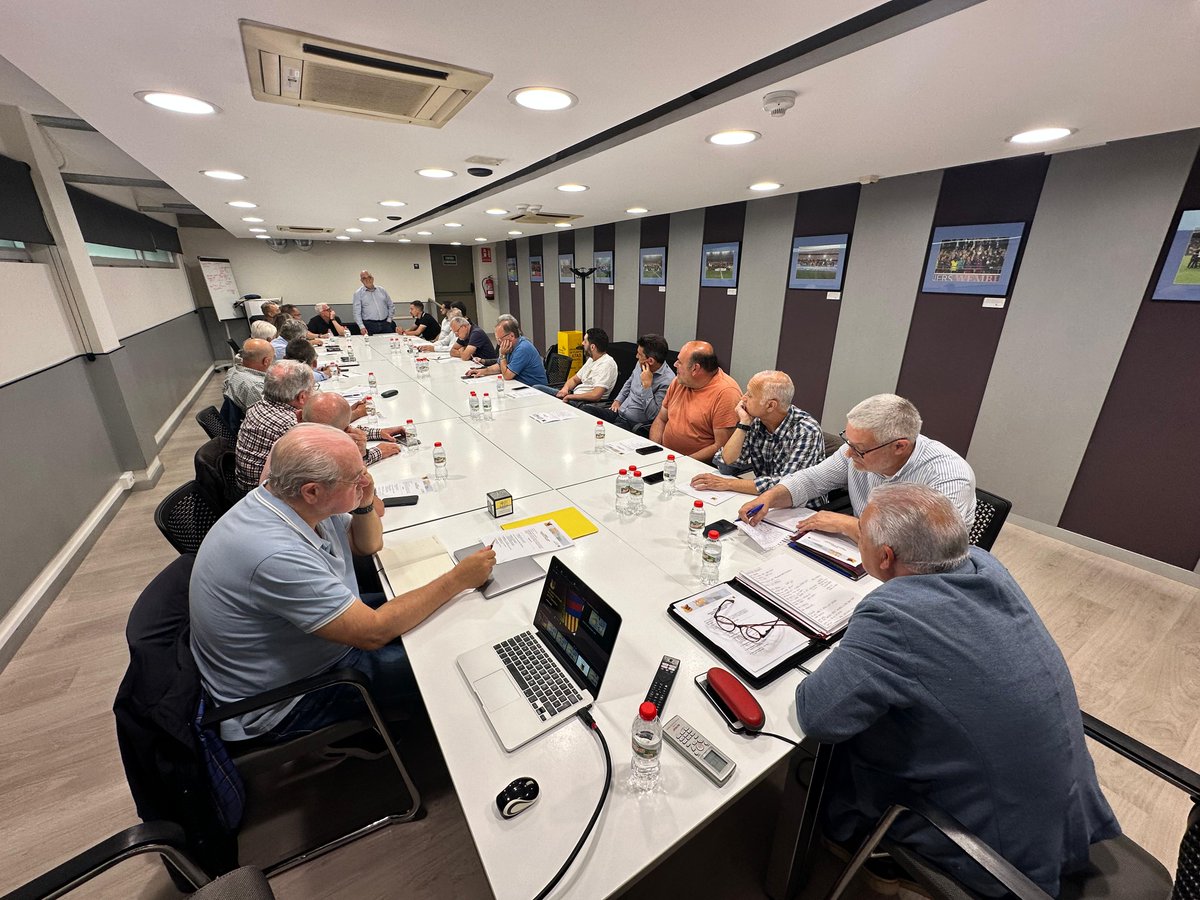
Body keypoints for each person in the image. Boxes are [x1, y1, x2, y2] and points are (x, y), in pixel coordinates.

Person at [796, 483, 1119, 897]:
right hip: (1067, 816)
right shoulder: (985, 565)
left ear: (884, 557)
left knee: (844, 744)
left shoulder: (891, 615)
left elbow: (818, 716)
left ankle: (870, 854)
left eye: (863, 537)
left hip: (997, 851)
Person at [190, 424, 496, 741]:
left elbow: (366, 545)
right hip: (290, 700)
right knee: (450, 656)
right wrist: (458, 579)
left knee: (441, 612)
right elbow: (374, 632)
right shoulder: (274, 553)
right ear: (312, 491)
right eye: (355, 477)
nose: (365, 480)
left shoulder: (291, 498)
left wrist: (363, 500)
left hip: (309, 648)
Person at [738, 393, 976, 544]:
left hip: (915, 573)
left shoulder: (948, 475)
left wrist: (847, 524)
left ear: (899, 447)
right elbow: (811, 480)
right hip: (860, 551)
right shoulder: (855, 452)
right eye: (847, 441)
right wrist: (769, 497)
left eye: (859, 448)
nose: (849, 453)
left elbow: (932, 545)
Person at [689, 371, 824, 496]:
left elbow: (787, 487)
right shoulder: (755, 420)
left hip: (803, 508)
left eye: (750, 395)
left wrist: (728, 484)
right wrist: (743, 424)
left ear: (771, 405)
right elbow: (726, 465)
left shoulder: (806, 430)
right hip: (766, 498)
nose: (743, 398)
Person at [649, 341, 741, 460]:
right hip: (666, 458)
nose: (675, 364)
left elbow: (721, 447)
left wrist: (682, 462)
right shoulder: (679, 381)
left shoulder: (726, 393)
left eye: (680, 362)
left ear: (695, 369)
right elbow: (661, 419)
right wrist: (654, 451)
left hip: (697, 466)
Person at [234, 360, 314, 491]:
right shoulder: (289, 425)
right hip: (265, 496)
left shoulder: (258, 406)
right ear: (302, 397)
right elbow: (313, 466)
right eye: (312, 389)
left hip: (245, 486)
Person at [583, 333, 674, 432]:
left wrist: (647, 387)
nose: (636, 356)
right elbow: (629, 382)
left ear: (650, 361)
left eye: (639, 354)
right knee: (585, 410)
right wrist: (618, 400)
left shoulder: (668, 382)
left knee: (607, 432)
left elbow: (653, 416)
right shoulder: (641, 364)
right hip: (619, 412)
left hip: (633, 424)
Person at [302, 392, 405, 465]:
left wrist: (379, 432)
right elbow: (351, 477)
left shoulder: (299, 433)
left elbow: (333, 427)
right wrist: (369, 454)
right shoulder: (317, 460)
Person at [539, 328, 618, 403]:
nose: (582, 343)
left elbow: (595, 395)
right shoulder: (591, 359)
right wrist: (565, 389)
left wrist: (570, 397)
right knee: (537, 388)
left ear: (592, 347)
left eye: (585, 341)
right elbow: (574, 380)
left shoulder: (607, 364)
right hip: (573, 396)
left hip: (584, 403)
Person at [464, 317, 548, 386]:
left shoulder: (523, 348)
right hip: (519, 385)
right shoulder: (510, 346)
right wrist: (482, 371)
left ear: (511, 336)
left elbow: (507, 375)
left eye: (500, 339)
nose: (498, 342)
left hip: (536, 389)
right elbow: (499, 366)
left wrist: (503, 355)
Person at [221, 338, 273, 413]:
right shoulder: (255, 386)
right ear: (266, 361)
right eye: (272, 358)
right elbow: (268, 415)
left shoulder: (231, 371)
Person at [352, 270, 395, 335]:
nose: (367, 280)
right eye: (364, 278)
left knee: (389, 343)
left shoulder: (382, 290)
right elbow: (356, 312)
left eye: (369, 277)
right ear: (361, 281)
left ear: (372, 278)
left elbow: (391, 306)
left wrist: (389, 319)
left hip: (385, 324)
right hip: (369, 325)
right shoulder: (358, 294)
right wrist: (361, 327)